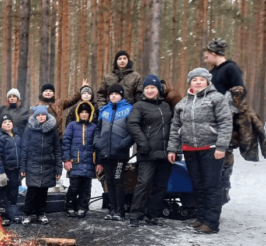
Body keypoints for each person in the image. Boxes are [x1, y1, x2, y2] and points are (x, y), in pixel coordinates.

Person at [167, 68, 232, 234]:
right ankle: (202, 218)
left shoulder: (216, 99)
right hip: (190, 150)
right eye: (194, 79)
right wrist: (172, 149)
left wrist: (221, 147)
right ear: (190, 82)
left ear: (207, 81)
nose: (197, 82)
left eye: (201, 79)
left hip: (211, 149)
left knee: (211, 185)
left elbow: (225, 123)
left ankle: (211, 222)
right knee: (198, 185)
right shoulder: (183, 104)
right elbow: (175, 128)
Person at [127, 75, 173, 227]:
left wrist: (174, 148)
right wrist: (143, 143)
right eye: (147, 88)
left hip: (165, 153)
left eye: (153, 87)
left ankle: (152, 215)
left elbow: (173, 126)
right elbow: (133, 125)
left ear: (159, 90)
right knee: (144, 183)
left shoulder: (166, 106)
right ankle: (135, 215)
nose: (149, 90)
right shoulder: (139, 106)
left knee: (160, 185)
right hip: (147, 152)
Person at [204, 38, 244, 205]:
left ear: (214, 54)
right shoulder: (212, 73)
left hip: (225, 125)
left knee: (223, 161)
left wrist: (227, 115)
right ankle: (209, 201)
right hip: (210, 125)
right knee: (210, 164)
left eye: (207, 56)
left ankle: (220, 198)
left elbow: (239, 92)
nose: (205, 58)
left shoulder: (231, 68)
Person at [93, 84, 134, 221]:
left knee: (118, 181)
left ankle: (120, 211)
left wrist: (124, 144)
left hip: (119, 154)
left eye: (116, 94)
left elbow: (133, 131)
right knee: (109, 181)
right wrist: (97, 143)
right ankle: (112, 209)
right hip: (105, 152)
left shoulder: (128, 109)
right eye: (111, 94)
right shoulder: (104, 110)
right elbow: (98, 129)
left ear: (121, 95)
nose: (113, 96)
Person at [20, 106, 62, 226]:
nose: (41, 117)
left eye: (43, 115)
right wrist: (23, 167)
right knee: (32, 192)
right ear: (35, 116)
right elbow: (24, 149)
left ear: (47, 116)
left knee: (43, 192)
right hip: (32, 165)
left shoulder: (53, 131)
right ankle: (27, 214)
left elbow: (57, 150)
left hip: (48, 166)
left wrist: (58, 168)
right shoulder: (29, 130)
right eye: (38, 115)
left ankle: (41, 213)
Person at [62, 101, 96, 218]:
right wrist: (66, 159)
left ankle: (82, 207)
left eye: (87, 112)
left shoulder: (94, 127)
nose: (84, 114)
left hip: (89, 162)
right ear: (78, 113)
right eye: (82, 112)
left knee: (86, 188)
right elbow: (66, 142)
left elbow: (97, 145)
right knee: (74, 186)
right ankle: (70, 207)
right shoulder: (72, 125)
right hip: (75, 162)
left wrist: (98, 162)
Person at [0, 114, 22, 226]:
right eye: (5, 122)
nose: (8, 123)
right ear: (1, 125)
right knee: (2, 195)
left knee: (13, 194)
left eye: (9, 121)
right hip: (5, 172)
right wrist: (1, 173)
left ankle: (12, 214)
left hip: (15, 171)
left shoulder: (17, 136)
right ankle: (3, 217)